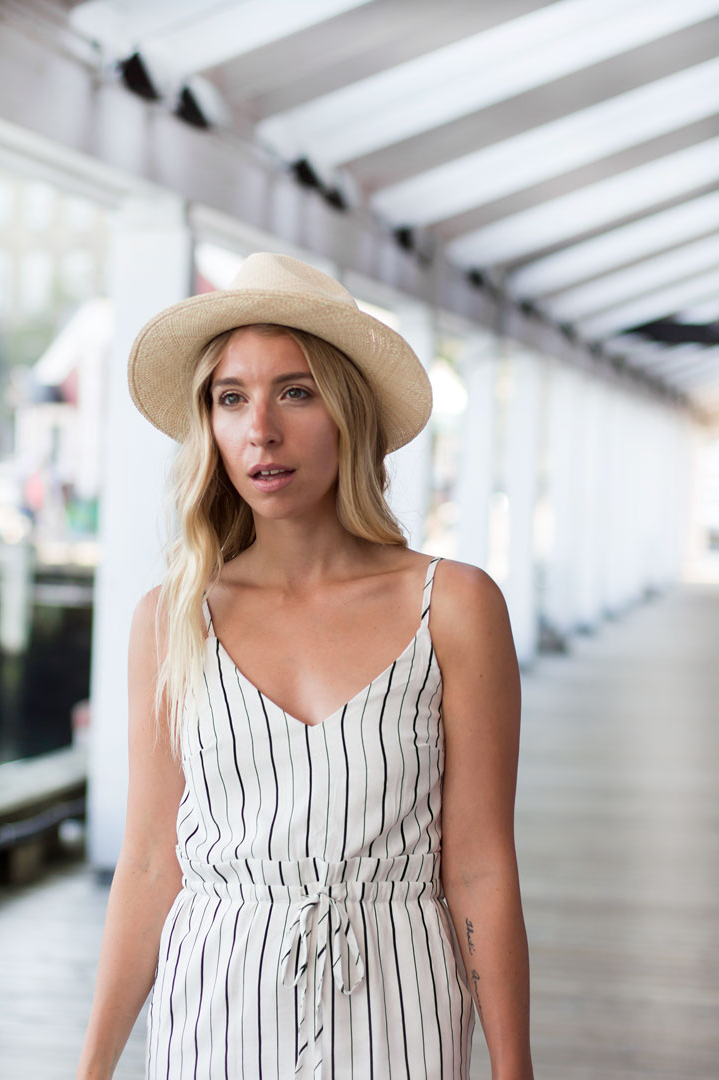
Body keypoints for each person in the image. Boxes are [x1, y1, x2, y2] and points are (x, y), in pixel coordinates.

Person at [77, 253, 534, 1079]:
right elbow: (148, 864)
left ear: (347, 411)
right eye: (231, 398)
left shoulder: (456, 607)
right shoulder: (171, 620)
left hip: (401, 1005)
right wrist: (92, 1068)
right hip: (215, 1006)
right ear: (209, 424)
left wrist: (513, 1067)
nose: (262, 431)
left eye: (296, 391)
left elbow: (478, 864)